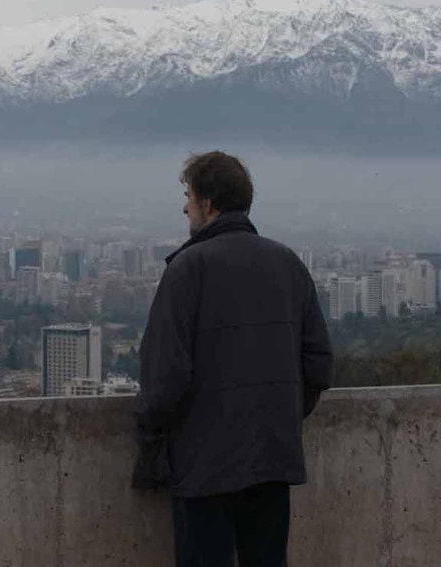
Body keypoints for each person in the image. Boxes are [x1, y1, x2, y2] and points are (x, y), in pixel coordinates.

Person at [132, 151, 334, 567]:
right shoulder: (288, 263)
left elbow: (164, 377)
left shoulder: (188, 268)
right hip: (272, 461)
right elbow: (317, 364)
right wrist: (282, 416)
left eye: (188, 196)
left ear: (207, 203)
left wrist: (153, 439)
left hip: (203, 467)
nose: (184, 206)